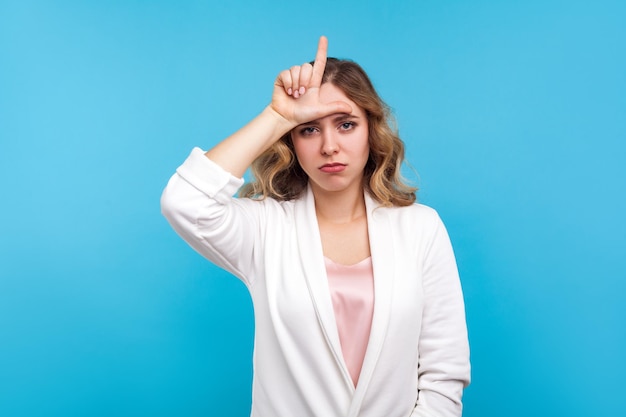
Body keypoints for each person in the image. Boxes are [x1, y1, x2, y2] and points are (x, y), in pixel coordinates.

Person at [161, 36, 470, 417]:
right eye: (309, 128)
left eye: (346, 124)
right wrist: (278, 115)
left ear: (371, 132)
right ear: (291, 139)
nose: (329, 146)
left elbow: (444, 374)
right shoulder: (266, 228)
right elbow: (185, 202)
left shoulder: (421, 228)